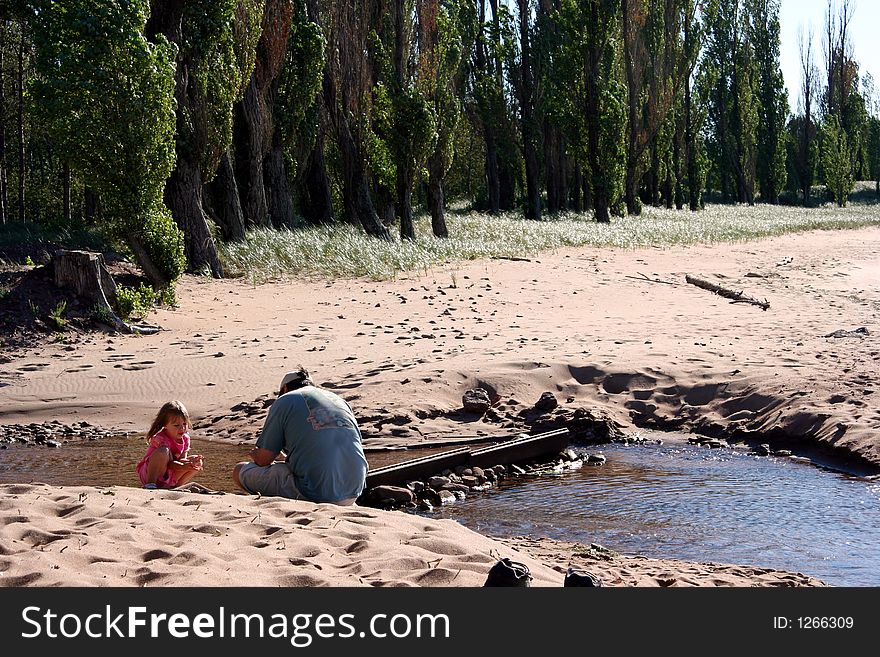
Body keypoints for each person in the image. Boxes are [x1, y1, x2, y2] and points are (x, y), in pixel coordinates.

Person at [233, 366, 368, 504]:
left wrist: (256, 454)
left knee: (239, 470)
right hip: (354, 490)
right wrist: (284, 459)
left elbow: (263, 460)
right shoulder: (339, 400)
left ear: (284, 389)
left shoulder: (285, 400)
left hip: (317, 493)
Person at [136, 400, 204, 489]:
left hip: (169, 473)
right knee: (163, 451)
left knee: (197, 462)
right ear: (165, 425)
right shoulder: (161, 438)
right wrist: (183, 466)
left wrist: (190, 464)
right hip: (151, 472)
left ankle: (176, 486)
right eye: (176, 425)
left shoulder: (185, 438)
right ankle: (150, 484)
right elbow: (170, 464)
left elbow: (181, 459)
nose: (182, 428)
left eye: (184, 424)